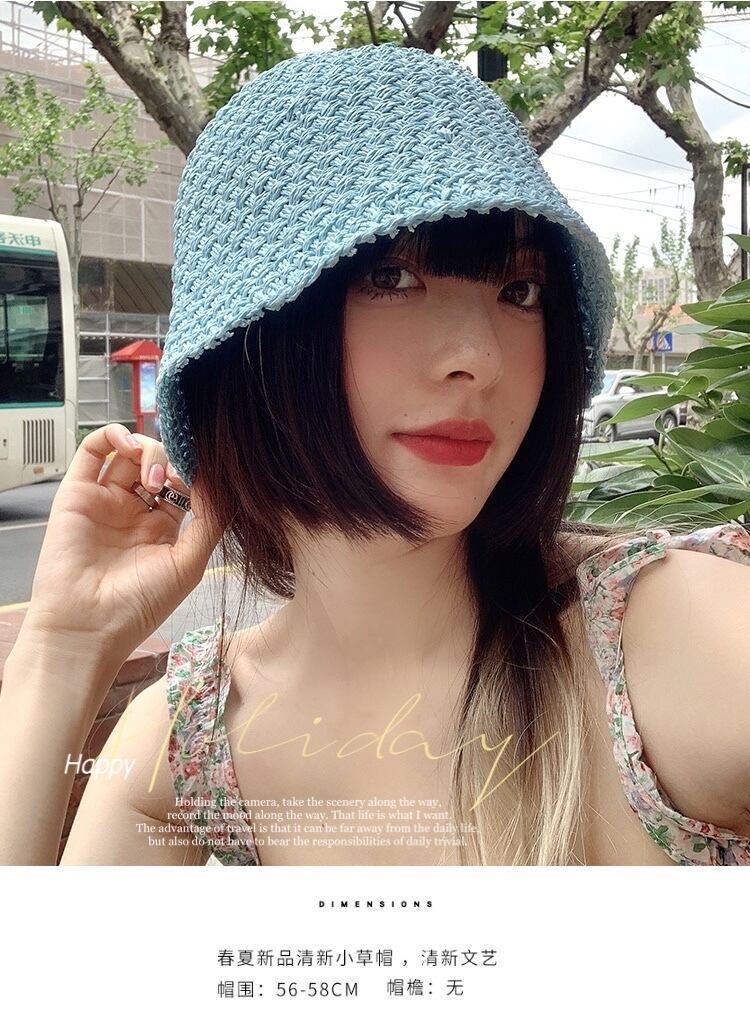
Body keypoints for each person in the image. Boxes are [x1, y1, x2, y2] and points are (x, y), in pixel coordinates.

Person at [1, 44, 749, 868]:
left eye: (520, 291)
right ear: (248, 340)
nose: (480, 357)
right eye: (391, 277)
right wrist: (62, 653)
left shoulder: (667, 640)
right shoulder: (195, 741)